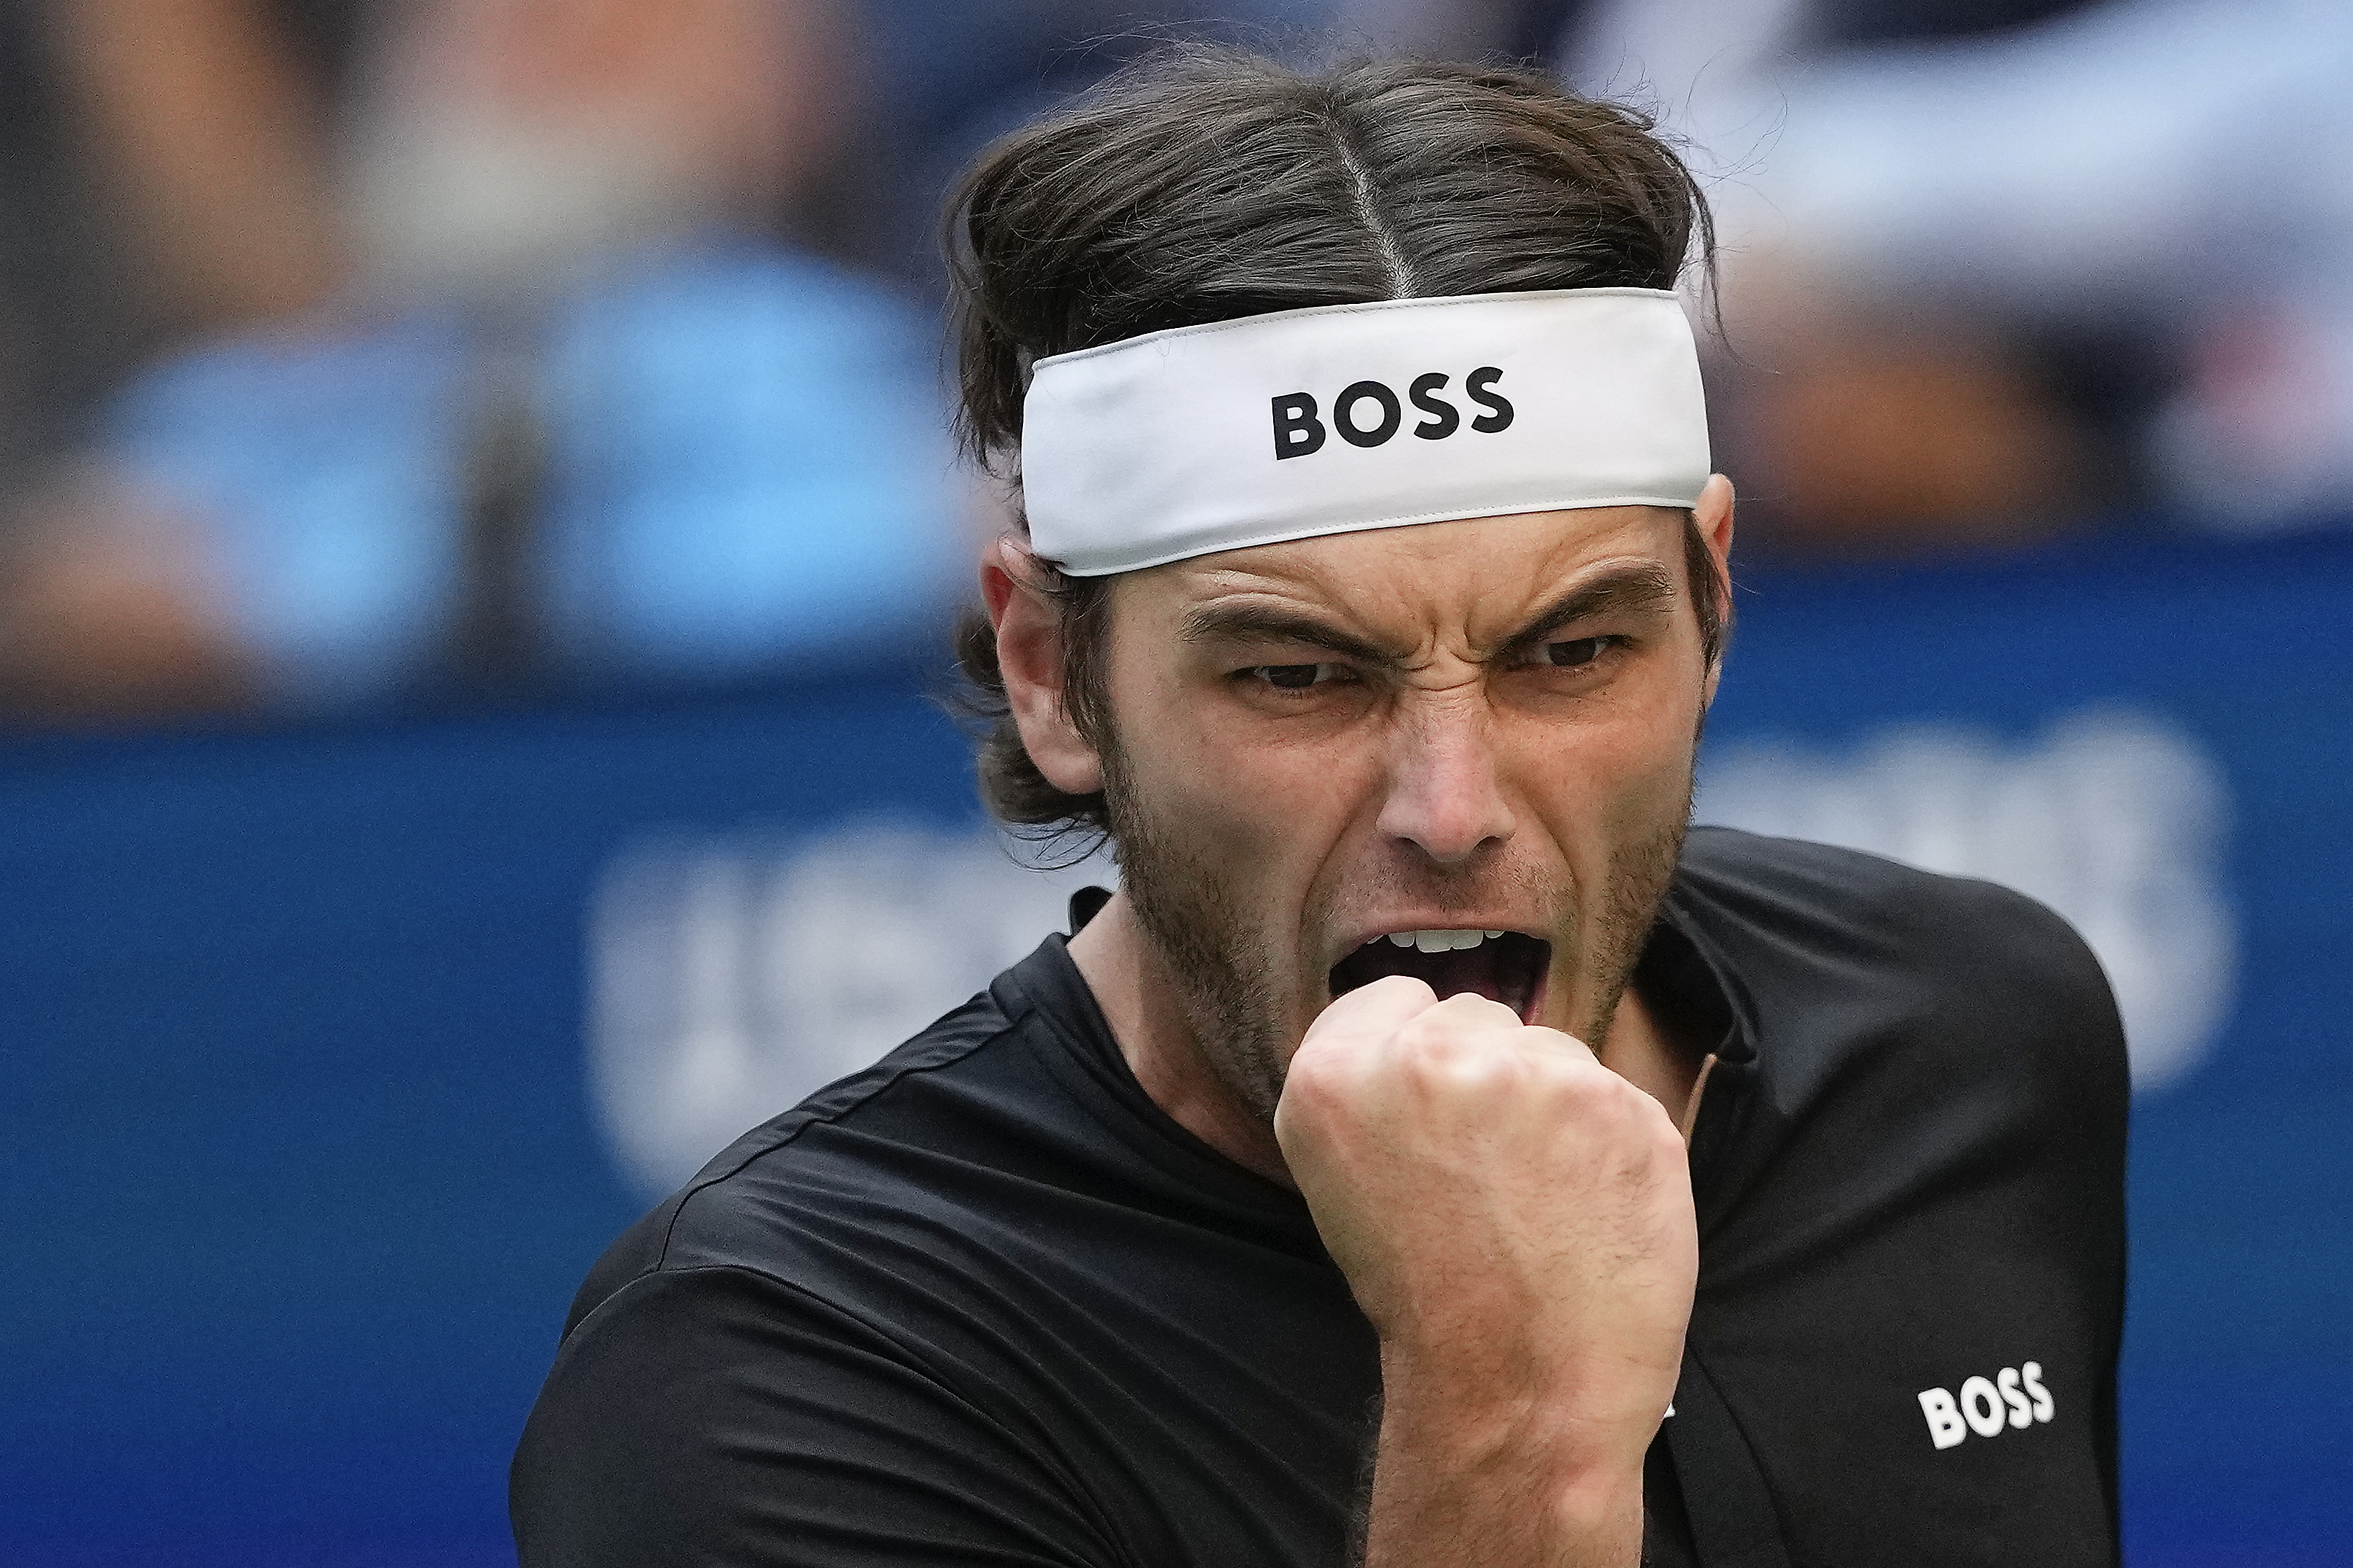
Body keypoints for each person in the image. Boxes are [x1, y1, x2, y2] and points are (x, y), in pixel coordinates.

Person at [510, 47, 2126, 1567]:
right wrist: (1503, 1409)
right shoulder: (780, 1358)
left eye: (1571, 650)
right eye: (1299, 676)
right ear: (1052, 672)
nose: (1453, 803)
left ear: (1711, 602)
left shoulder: (1968, 1025)